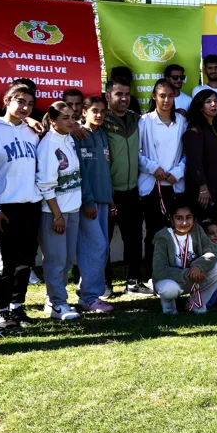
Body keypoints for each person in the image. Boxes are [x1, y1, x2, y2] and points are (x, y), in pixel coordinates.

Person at [0, 82, 42, 330]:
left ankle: (17, 307)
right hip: (5, 206)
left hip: (31, 204)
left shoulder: (33, 131)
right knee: (4, 262)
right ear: (7, 100)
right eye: (20, 101)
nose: (25, 107)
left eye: (30, 104)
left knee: (26, 260)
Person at [101, 77, 151, 297]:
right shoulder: (101, 120)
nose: (124, 98)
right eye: (118, 94)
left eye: (127, 94)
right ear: (107, 96)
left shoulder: (136, 119)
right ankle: (104, 284)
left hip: (132, 190)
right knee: (103, 241)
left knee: (133, 239)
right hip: (108, 192)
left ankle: (133, 282)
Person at [37, 102, 84, 321]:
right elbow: (45, 184)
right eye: (65, 118)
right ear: (52, 120)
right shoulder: (48, 145)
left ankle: (54, 299)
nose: (71, 121)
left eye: (73, 117)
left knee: (67, 260)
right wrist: (57, 215)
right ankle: (58, 304)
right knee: (55, 260)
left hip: (72, 209)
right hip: (54, 212)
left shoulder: (69, 139)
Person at [139, 79, 188, 282]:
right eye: (162, 96)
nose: (166, 100)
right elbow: (136, 153)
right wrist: (153, 168)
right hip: (152, 186)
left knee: (176, 231)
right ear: (154, 97)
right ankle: (153, 275)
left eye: (170, 96)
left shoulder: (181, 121)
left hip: (174, 185)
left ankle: (174, 273)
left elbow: (187, 152)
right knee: (154, 231)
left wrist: (178, 171)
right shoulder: (145, 121)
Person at [75, 96, 115, 315]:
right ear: (84, 112)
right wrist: (87, 200)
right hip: (87, 203)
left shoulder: (103, 136)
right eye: (94, 111)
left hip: (103, 200)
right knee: (95, 247)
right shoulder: (78, 135)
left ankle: (89, 294)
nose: (99, 115)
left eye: (102, 111)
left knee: (99, 248)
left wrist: (110, 197)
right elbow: (80, 172)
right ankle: (89, 297)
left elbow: (104, 171)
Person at [153, 205, 217, 315]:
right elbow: (160, 270)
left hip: (196, 278)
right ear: (171, 219)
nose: (184, 223)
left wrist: (198, 266)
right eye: (179, 218)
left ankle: (195, 303)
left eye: (188, 217)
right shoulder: (162, 237)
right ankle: (169, 309)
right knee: (169, 289)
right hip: (172, 280)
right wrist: (189, 273)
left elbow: (212, 252)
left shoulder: (197, 230)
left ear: (193, 218)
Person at [184, 90, 217, 223]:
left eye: (216, 101)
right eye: (208, 101)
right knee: (206, 226)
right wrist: (203, 187)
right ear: (200, 106)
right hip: (203, 190)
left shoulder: (216, 126)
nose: (213, 104)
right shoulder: (195, 129)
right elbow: (195, 161)